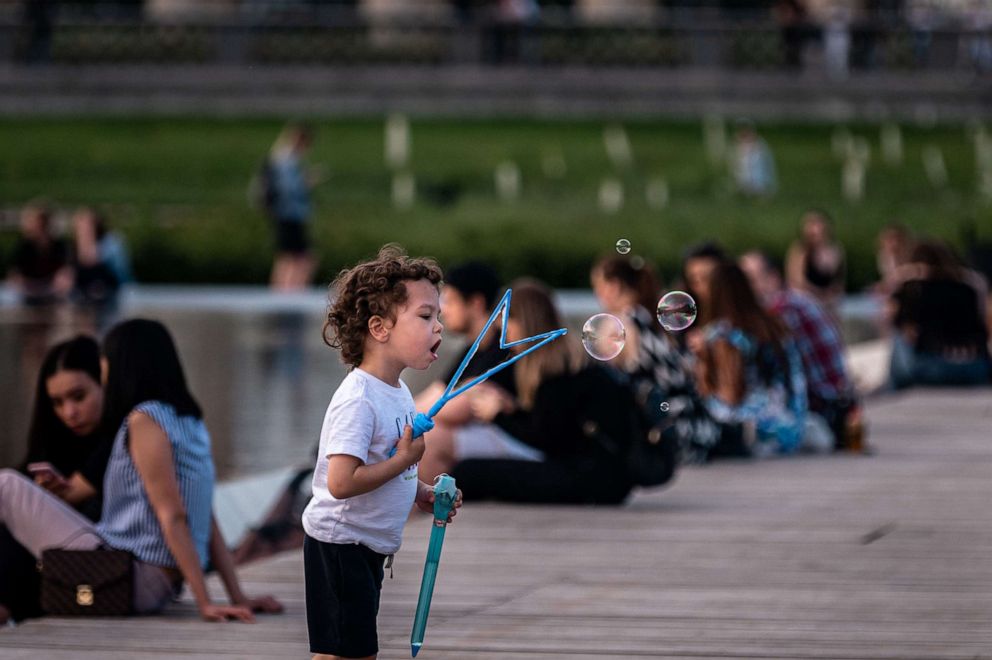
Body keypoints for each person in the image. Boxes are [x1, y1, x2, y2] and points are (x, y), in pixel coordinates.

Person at [0, 319, 282, 624]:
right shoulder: (190, 422)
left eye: (105, 360)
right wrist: (238, 597)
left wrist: (205, 604)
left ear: (121, 364)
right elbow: (205, 517)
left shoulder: (144, 420)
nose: (103, 369)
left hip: (126, 574)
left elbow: (172, 515)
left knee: (6, 485)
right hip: (150, 583)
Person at [303, 244, 462, 660]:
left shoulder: (398, 392)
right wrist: (404, 461)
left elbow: (391, 468)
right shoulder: (359, 399)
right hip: (340, 545)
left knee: (348, 653)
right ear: (379, 328)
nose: (439, 327)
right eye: (426, 316)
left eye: (439, 316)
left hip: (367, 548)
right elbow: (340, 483)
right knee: (347, 655)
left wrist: (421, 490)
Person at [448, 278, 641, 504]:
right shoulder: (564, 357)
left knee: (467, 473)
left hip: (593, 479)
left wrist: (498, 416)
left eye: (508, 320)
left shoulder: (556, 369)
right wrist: (511, 410)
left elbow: (546, 439)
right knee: (470, 471)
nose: (502, 328)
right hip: (598, 473)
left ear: (526, 322)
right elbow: (554, 427)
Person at [0, 336, 111, 623]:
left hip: (99, 571)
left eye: (79, 396)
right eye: (57, 402)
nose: (69, 413)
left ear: (104, 383)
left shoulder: (124, 439)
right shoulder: (52, 443)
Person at [590, 255, 722, 463]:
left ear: (613, 286)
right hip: (699, 428)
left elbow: (602, 377)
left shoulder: (619, 324)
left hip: (665, 433)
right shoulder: (654, 317)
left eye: (597, 286)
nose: (597, 294)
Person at [415, 261, 527, 480]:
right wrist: (394, 419)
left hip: (519, 440)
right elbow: (437, 394)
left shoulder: (503, 347)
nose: (443, 309)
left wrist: (404, 421)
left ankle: (423, 513)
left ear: (476, 303)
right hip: (489, 434)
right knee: (410, 435)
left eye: (451, 300)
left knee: (430, 440)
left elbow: (457, 410)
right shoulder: (473, 347)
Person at [740, 250, 859, 449]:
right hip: (836, 402)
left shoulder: (783, 309)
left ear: (773, 278)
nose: (745, 288)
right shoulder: (795, 300)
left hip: (822, 408)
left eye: (751, 279)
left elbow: (778, 372)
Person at [695, 262, 809, 457]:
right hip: (791, 426)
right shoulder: (773, 324)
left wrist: (702, 360)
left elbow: (728, 395)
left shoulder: (722, 334)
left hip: (757, 429)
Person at [887, 240, 991, 389]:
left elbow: (898, 324)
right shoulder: (968, 290)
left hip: (932, 369)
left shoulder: (915, 291)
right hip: (975, 368)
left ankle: (893, 391)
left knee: (898, 338)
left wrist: (901, 276)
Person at [263, 122, 320, 291]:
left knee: (289, 256)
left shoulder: (280, 157)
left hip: (286, 213)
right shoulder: (286, 159)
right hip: (289, 213)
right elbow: (289, 188)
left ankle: (285, 292)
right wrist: (306, 181)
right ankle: (289, 292)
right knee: (300, 258)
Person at [5, 203, 73, 305]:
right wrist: (22, 285)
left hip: (51, 287)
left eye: (44, 223)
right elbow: (14, 274)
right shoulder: (23, 246)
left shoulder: (60, 245)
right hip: (28, 287)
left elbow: (66, 271)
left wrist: (63, 280)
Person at [786, 210, 846, 311]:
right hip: (805, 297)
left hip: (829, 300)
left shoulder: (835, 250)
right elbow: (796, 280)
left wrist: (829, 295)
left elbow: (839, 282)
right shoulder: (800, 249)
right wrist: (819, 294)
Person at [71, 206, 133, 304]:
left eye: (89, 226)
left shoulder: (112, 243)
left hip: (117, 291)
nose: (85, 230)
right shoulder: (73, 247)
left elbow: (93, 261)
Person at [732, 122, 777, 197]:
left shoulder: (760, 146)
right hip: (745, 183)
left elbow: (765, 167)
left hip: (759, 182)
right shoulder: (738, 147)